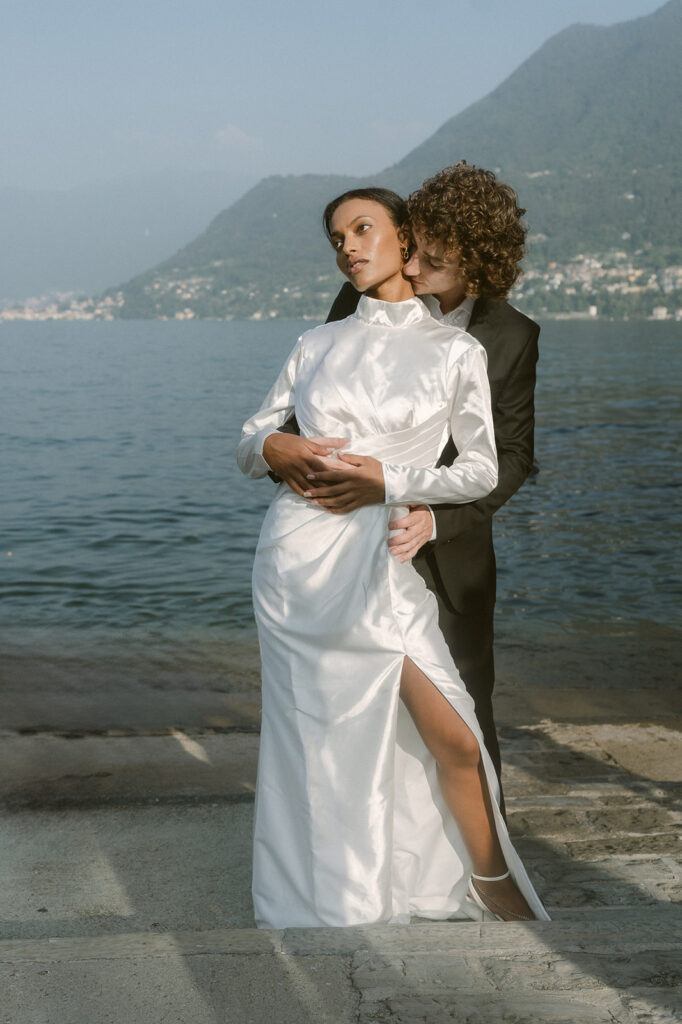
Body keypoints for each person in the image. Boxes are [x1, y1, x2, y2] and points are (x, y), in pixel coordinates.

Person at [237, 186, 548, 928]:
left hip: (409, 556)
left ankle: (483, 874)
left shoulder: (479, 344)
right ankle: (346, 892)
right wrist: (273, 446)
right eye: (337, 235)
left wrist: (399, 488)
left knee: (457, 728)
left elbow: (494, 465)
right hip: (302, 560)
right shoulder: (325, 335)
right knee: (325, 734)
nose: (348, 246)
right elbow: (264, 432)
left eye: (363, 228)